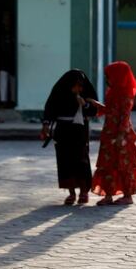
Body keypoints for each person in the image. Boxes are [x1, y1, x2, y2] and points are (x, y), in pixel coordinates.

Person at [41, 69, 98, 205]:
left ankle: (84, 192)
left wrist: (85, 104)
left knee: (81, 159)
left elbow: (94, 110)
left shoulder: (85, 95)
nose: (79, 88)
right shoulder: (59, 93)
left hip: (80, 130)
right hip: (63, 129)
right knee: (65, 160)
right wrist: (46, 124)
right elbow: (50, 109)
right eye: (76, 85)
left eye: (81, 86)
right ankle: (71, 192)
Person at [91, 61, 136, 206]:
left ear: (118, 76)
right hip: (108, 132)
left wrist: (120, 136)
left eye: (109, 75)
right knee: (106, 164)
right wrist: (97, 105)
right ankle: (107, 195)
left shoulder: (126, 94)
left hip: (121, 134)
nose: (107, 79)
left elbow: (124, 116)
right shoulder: (112, 91)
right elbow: (110, 110)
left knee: (123, 165)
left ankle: (127, 196)